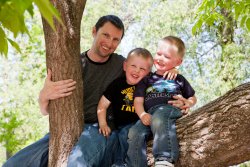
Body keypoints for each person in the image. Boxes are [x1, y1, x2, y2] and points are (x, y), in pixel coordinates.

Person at [3, 15, 125, 167]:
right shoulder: (71, 65)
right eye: (105, 35)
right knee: (13, 164)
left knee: (76, 164)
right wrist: (43, 96)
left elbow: (146, 75)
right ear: (94, 31)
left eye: (115, 39)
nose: (109, 43)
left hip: (100, 129)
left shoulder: (121, 65)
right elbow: (45, 110)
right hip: (67, 128)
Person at [126, 36, 197, 167]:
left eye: (167, 57)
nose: (160, 58)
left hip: (169, 109)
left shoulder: (178, 78)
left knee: (160, 116)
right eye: (158, 54)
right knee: (134, 132)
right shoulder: (147, 79)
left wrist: (189, 103)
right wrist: (142, 115)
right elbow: (138, 101)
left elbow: (192, 97)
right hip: (149, 115)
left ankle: (165, 159)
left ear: (178, 62)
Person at [97, 48, 153, 167]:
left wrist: (174, 70)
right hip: (121, 126)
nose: (137, 71)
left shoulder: (149, 83)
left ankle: (121, 164)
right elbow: (102, 105)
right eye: (133, 65)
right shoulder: (117, 85)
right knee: (112, 140)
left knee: (126, 134)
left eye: (142, 69)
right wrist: (103, 123)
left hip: (142, 124)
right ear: (125, 66)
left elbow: (165, 80)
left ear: (148, 72)